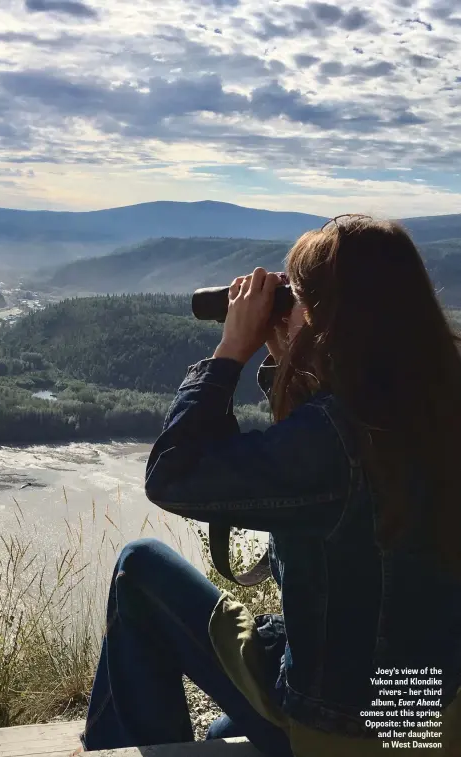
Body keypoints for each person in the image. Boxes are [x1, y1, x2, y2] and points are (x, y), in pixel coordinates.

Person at [81, 216, 461, 755]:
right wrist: (296, 357)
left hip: (341, 730)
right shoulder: (438, 406)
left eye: (293, 296)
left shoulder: (335, 440)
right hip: (426, 720)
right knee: (221, 733)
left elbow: (173, 474)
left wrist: (233, 348)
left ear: (330, 316)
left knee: (138, 568)